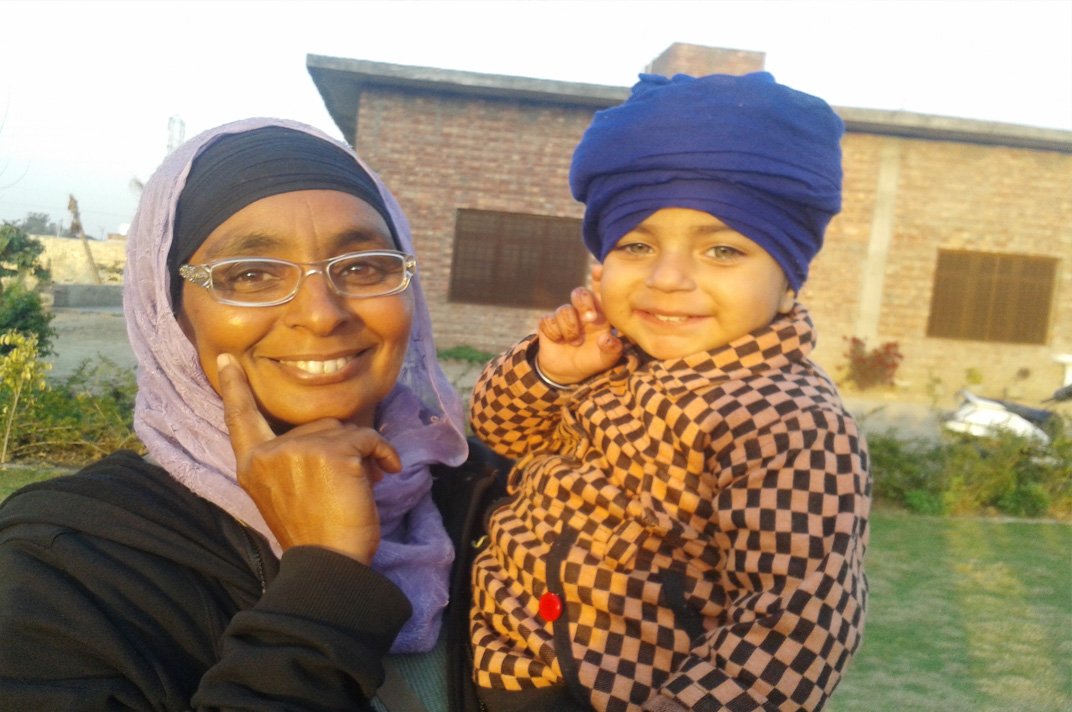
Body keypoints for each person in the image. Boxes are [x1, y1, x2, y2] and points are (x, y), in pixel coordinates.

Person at [0, 118, 475, 710]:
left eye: (362, 267)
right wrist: (324, 582)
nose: (322, 314)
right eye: (250, 275)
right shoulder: (69, 564)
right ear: (170, 312)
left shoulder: (484, 500)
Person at [468, 72, 871, 712]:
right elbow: (498, 431)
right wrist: (552, 370)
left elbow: (794, 625)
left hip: (609, 692)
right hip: (493, 660)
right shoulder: (609, 356)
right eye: (636, 244)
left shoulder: (788, 420)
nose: (668, 277)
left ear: (789, 280)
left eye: (723, 251)